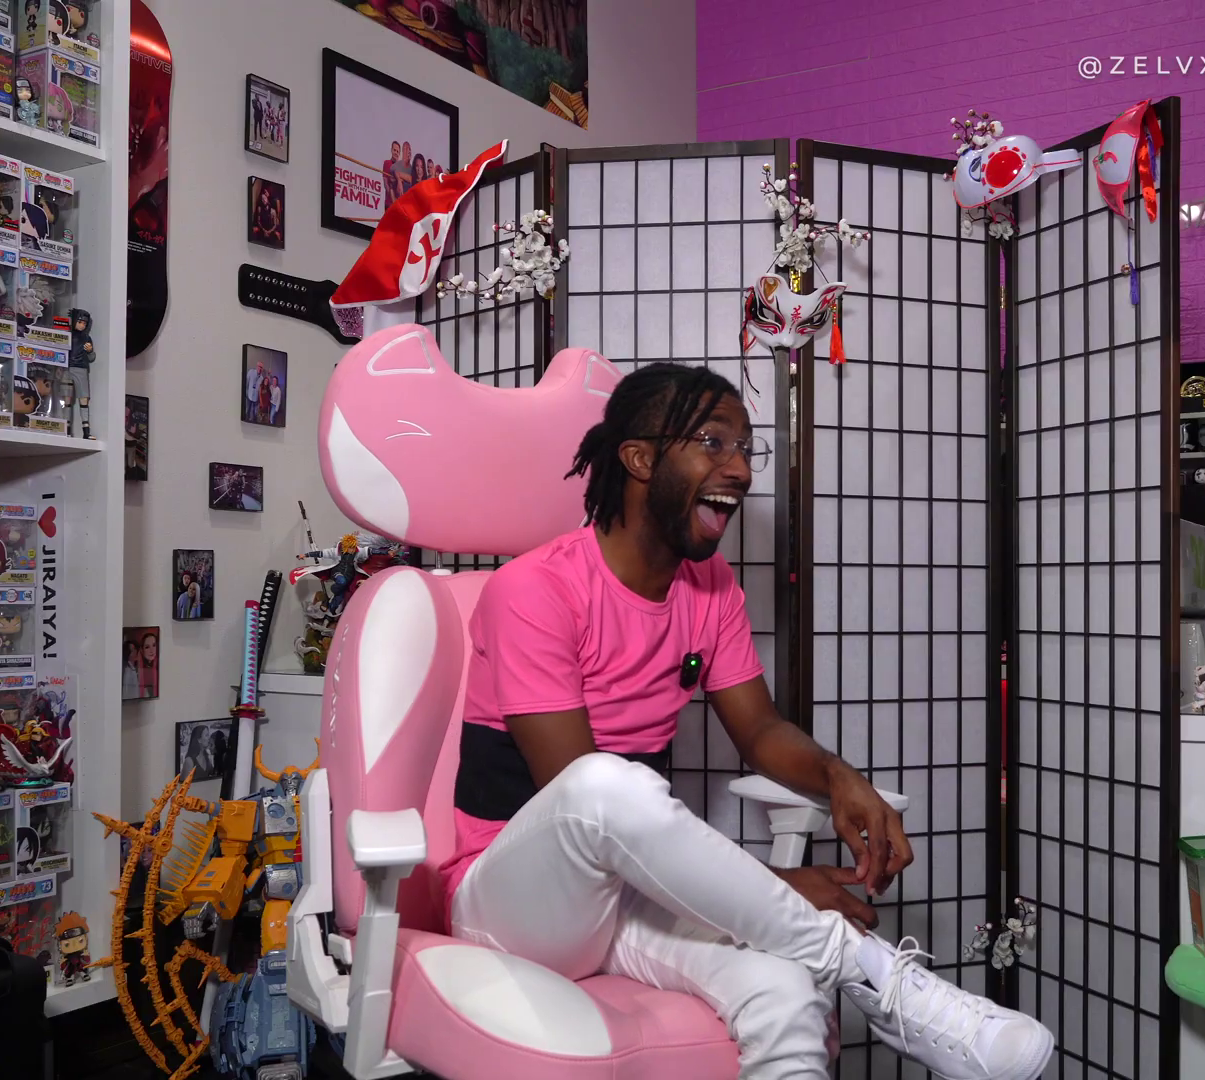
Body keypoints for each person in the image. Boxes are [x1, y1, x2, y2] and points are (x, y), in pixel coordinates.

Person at [441, 362, 1054, 1080]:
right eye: (713, 442)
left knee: (787, 996)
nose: (739, 469)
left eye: (744, 447)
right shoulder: (533, 590)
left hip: (622, 903)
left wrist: (839, 778)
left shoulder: (709, 585)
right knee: (605, 785)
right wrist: (777, 887)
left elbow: (759, 731)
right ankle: (872, 973)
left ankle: (842, 978)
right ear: (639, 459)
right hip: (509, 902)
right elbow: (575, 794)